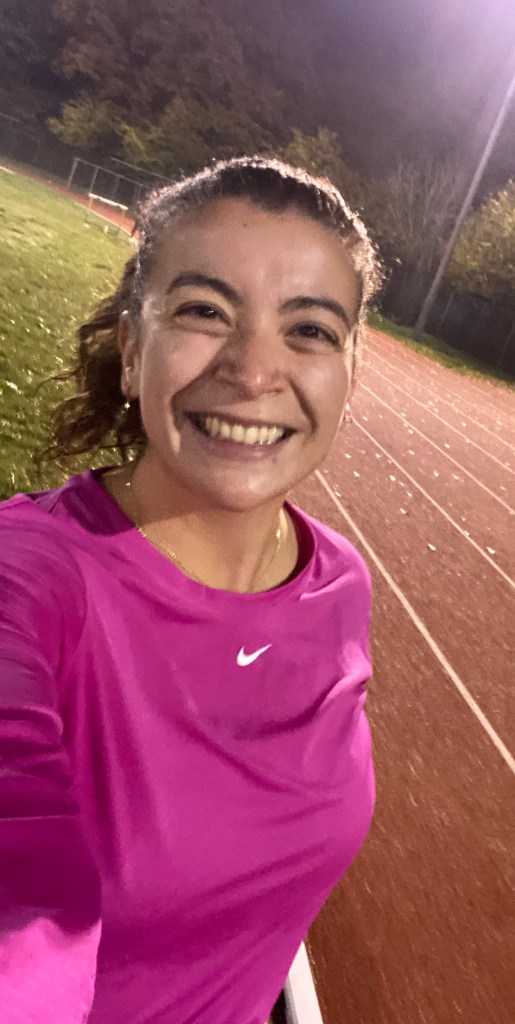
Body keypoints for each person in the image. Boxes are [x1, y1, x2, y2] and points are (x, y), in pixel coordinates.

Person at [0, 156, 382, 1023]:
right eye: (206, 311)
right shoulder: (30, 580)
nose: (254, 370)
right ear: (134, 352)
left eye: (311, 329)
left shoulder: (340, 584)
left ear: (350, 372)